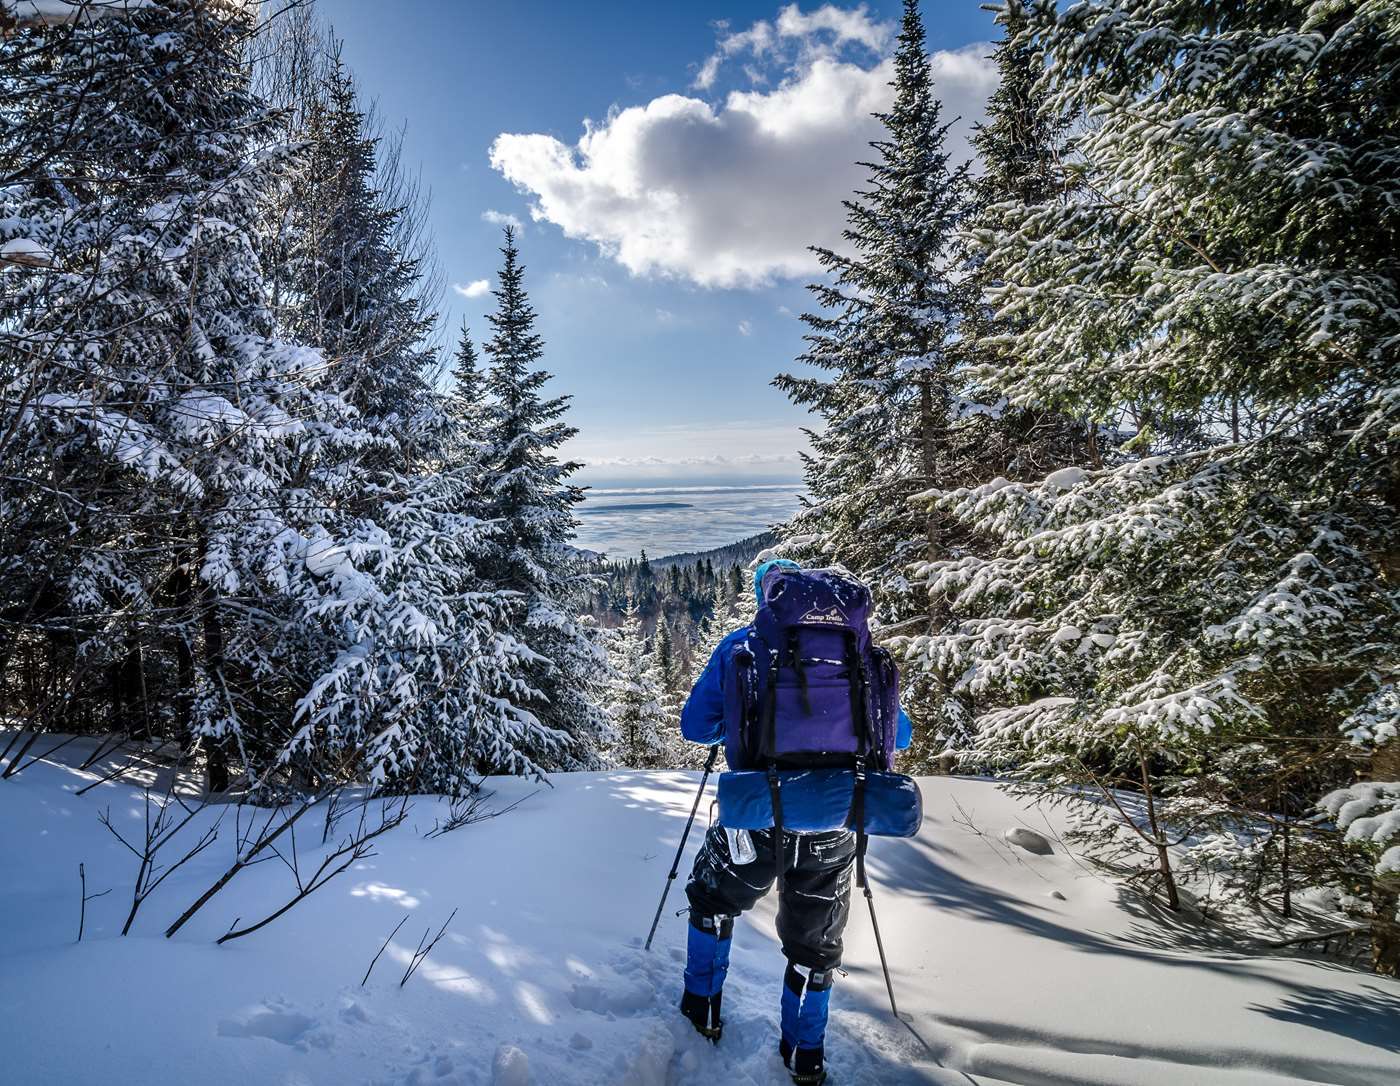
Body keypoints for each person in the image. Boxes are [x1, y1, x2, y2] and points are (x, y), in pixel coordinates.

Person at [677, 558, 912, 1085]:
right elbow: (898, 737)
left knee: (712, 902)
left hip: (756, 817)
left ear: (769, 600)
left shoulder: (742, 648)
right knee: (814, 945)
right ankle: (804, 1055)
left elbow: (696, 726)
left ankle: (703, 1007)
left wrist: (740, 729)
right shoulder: (860, 655)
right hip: (834, 821)